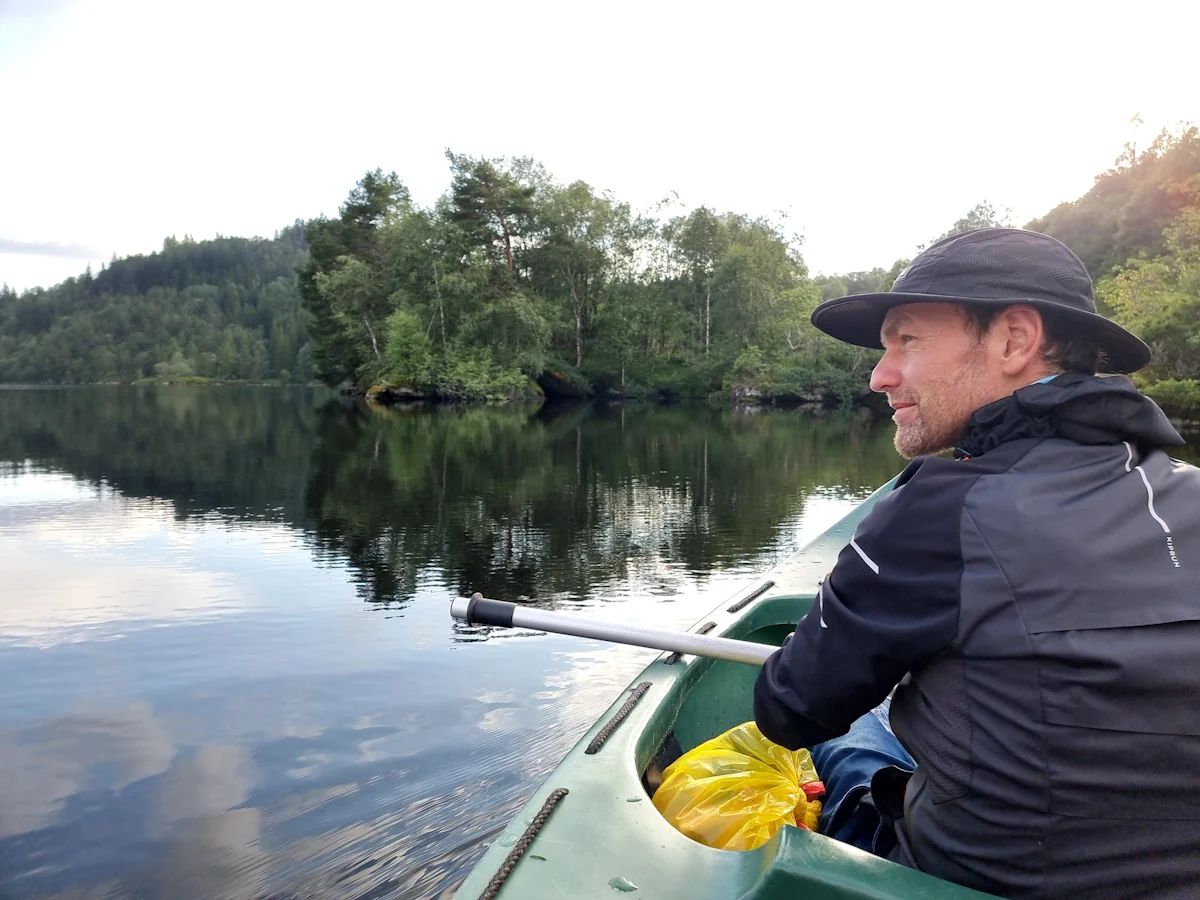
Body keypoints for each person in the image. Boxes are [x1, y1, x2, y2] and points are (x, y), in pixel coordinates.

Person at [753, 228, 1200, 900]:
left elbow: (788, 708)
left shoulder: (939, 510)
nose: (880, 376)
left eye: (907, 340)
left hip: (963, 880)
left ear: (1015, 339)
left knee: (855, 735)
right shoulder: (1189, 493)